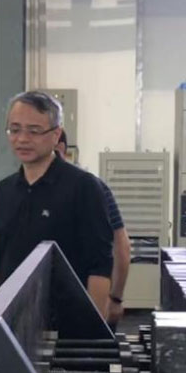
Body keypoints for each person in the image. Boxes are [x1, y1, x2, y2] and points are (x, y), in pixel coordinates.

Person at [0, 91, 114, 322]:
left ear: (56, 134)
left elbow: (100, 265)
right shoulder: (5, 189)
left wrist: (94, 328)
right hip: (13, 320)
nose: (22, 139)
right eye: (15, 130)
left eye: (34, 131)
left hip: (68, 322)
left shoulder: (84, 187)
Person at [55, 130, 132, 328]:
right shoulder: (13, 189)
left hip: (77, 311)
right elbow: (122, 247)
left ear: (59, 146)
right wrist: (115, 299)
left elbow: (121, 247)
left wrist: (114, 299)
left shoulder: (90, 188)